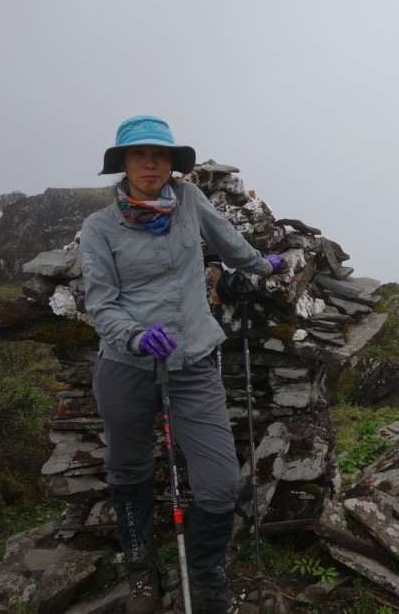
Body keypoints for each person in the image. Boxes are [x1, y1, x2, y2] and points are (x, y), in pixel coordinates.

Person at [80, 115, 287, 614]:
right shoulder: (99, 228)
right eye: (138, 155)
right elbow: (101, 302)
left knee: (218, 482)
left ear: (172, 162)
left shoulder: (189, 200)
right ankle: (141, 575)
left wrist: (263, 264)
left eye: (161, 155)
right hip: (126, 364)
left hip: (192, 359)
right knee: (127, 469)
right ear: (123, 164)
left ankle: (206, 583)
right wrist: (134, 334)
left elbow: (228, 242)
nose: (150, 163)